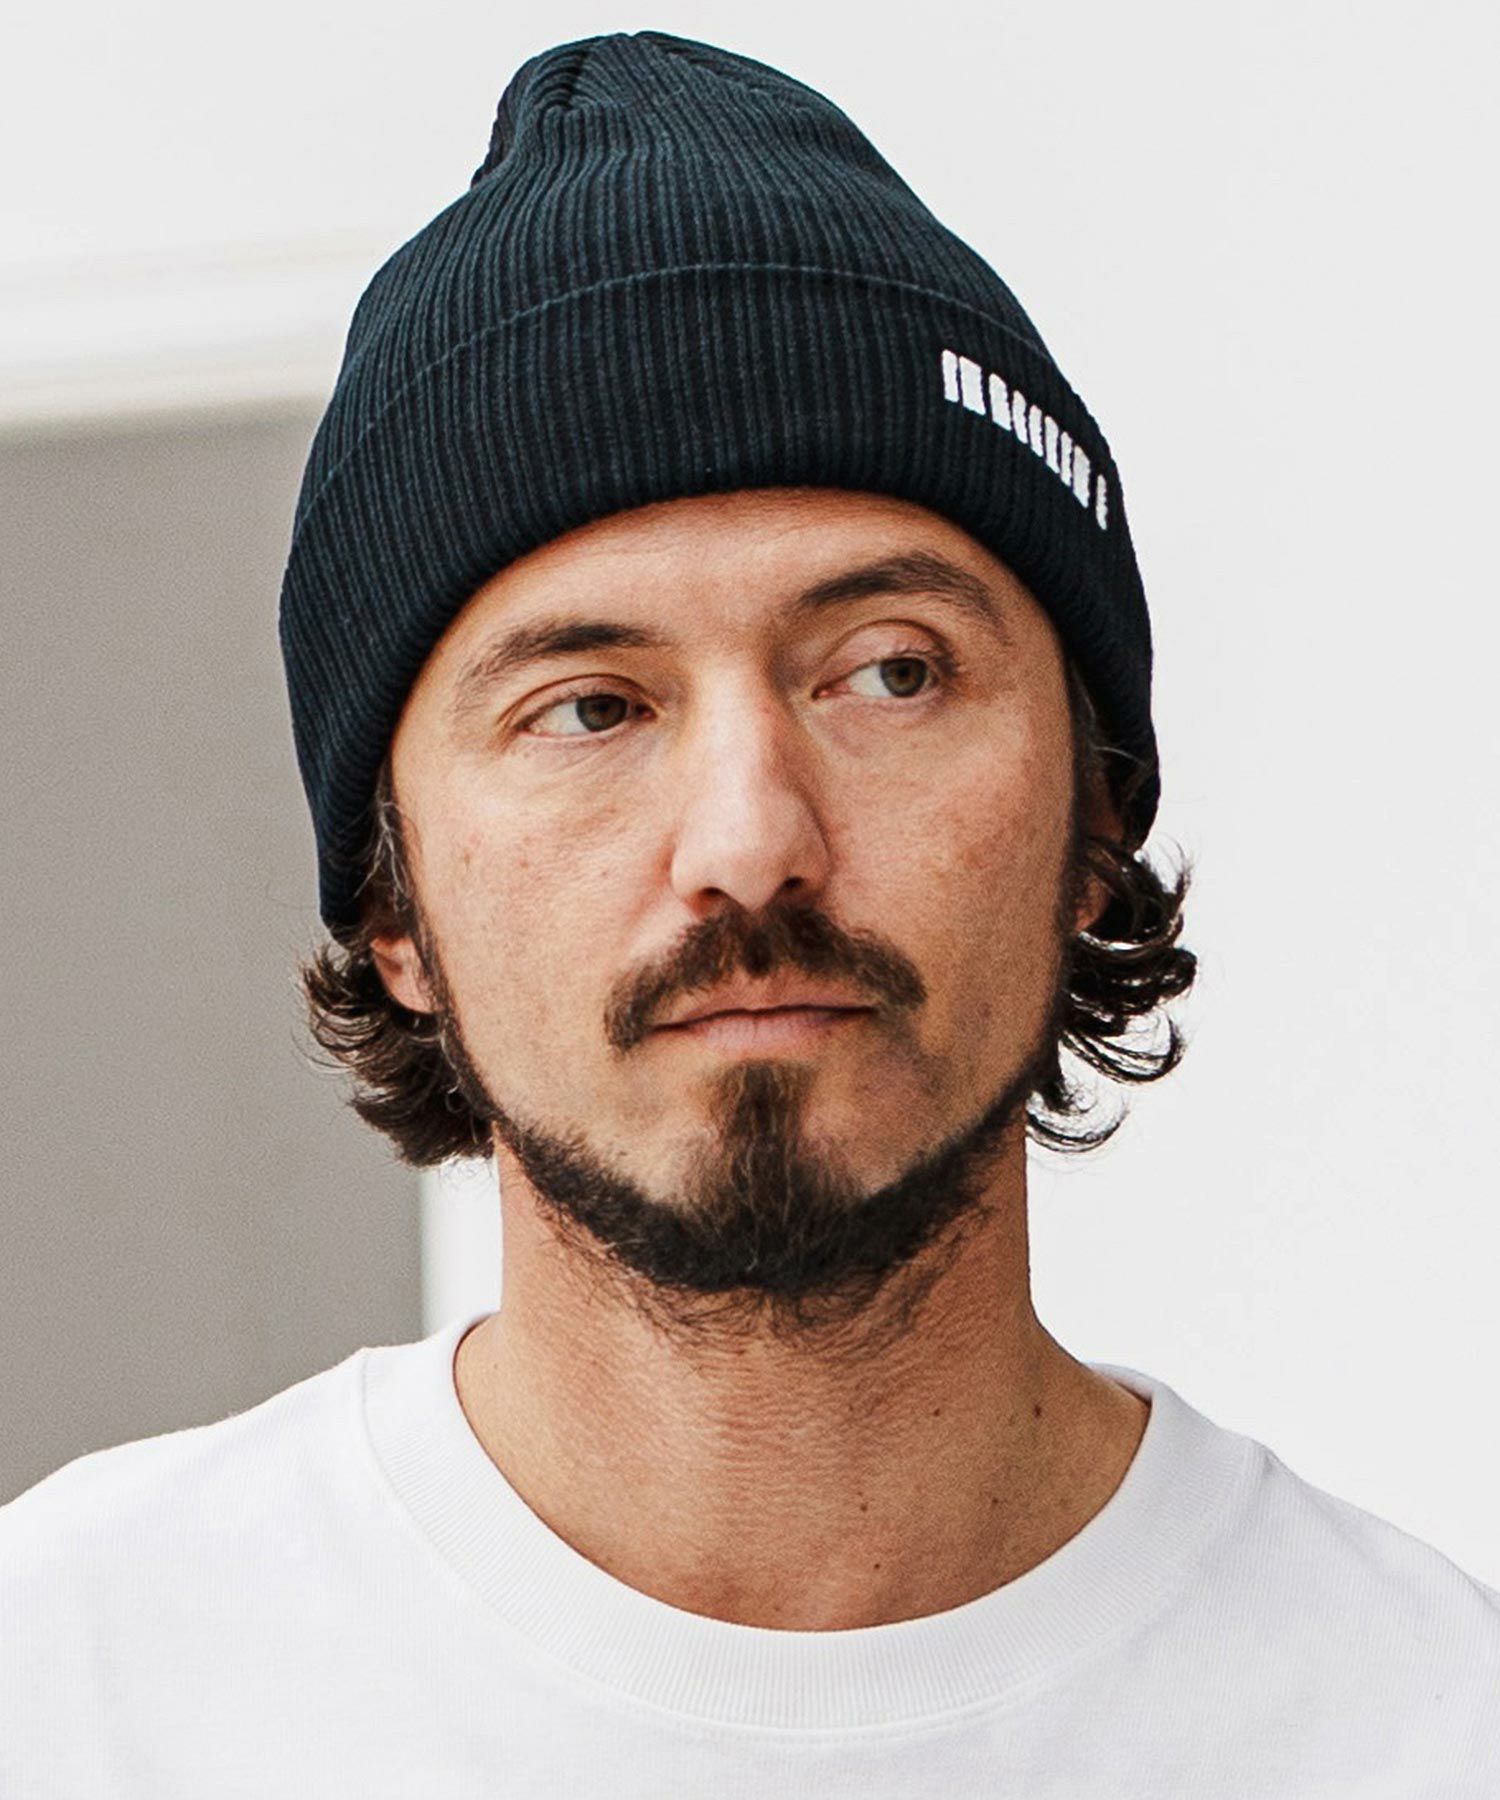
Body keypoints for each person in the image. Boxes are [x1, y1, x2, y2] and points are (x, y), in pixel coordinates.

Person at [3, 30, 1496, 1797]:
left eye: (889, 671)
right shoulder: (70, 1696)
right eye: (589, 706)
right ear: (393, 900)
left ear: (1096, 809)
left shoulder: (1429, 1726)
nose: (751, 843)